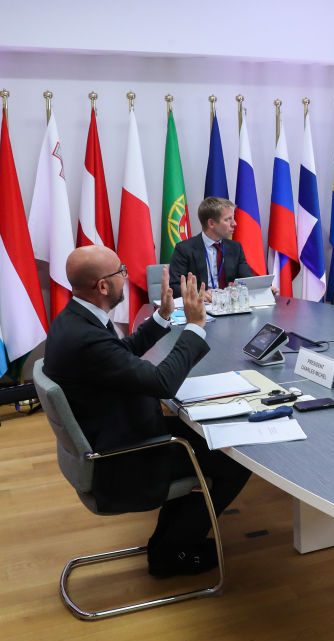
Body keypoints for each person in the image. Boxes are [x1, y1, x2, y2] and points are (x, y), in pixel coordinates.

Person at [43, 245, 251, 577]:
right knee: (233, 460)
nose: (126, 277)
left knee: (212, 440)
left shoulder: (75, 319)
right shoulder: (85, 337)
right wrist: (195, 325)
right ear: (103, 286)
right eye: (121, 272)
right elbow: (162, 382)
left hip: (115, 433)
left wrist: (162, 317)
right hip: (125, 456)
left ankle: (168, 543)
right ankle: (174, 552)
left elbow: (119, 354)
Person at [169, 196, 271, 300]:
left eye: (233, 218)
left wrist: (263, 289)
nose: (234, 223)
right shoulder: (184, 249)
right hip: (201, 305)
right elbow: (174, 286)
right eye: (228, 219)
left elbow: (247, 279)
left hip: (229, 304)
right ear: (211, 223)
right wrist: (199, 294)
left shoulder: (235, 247)